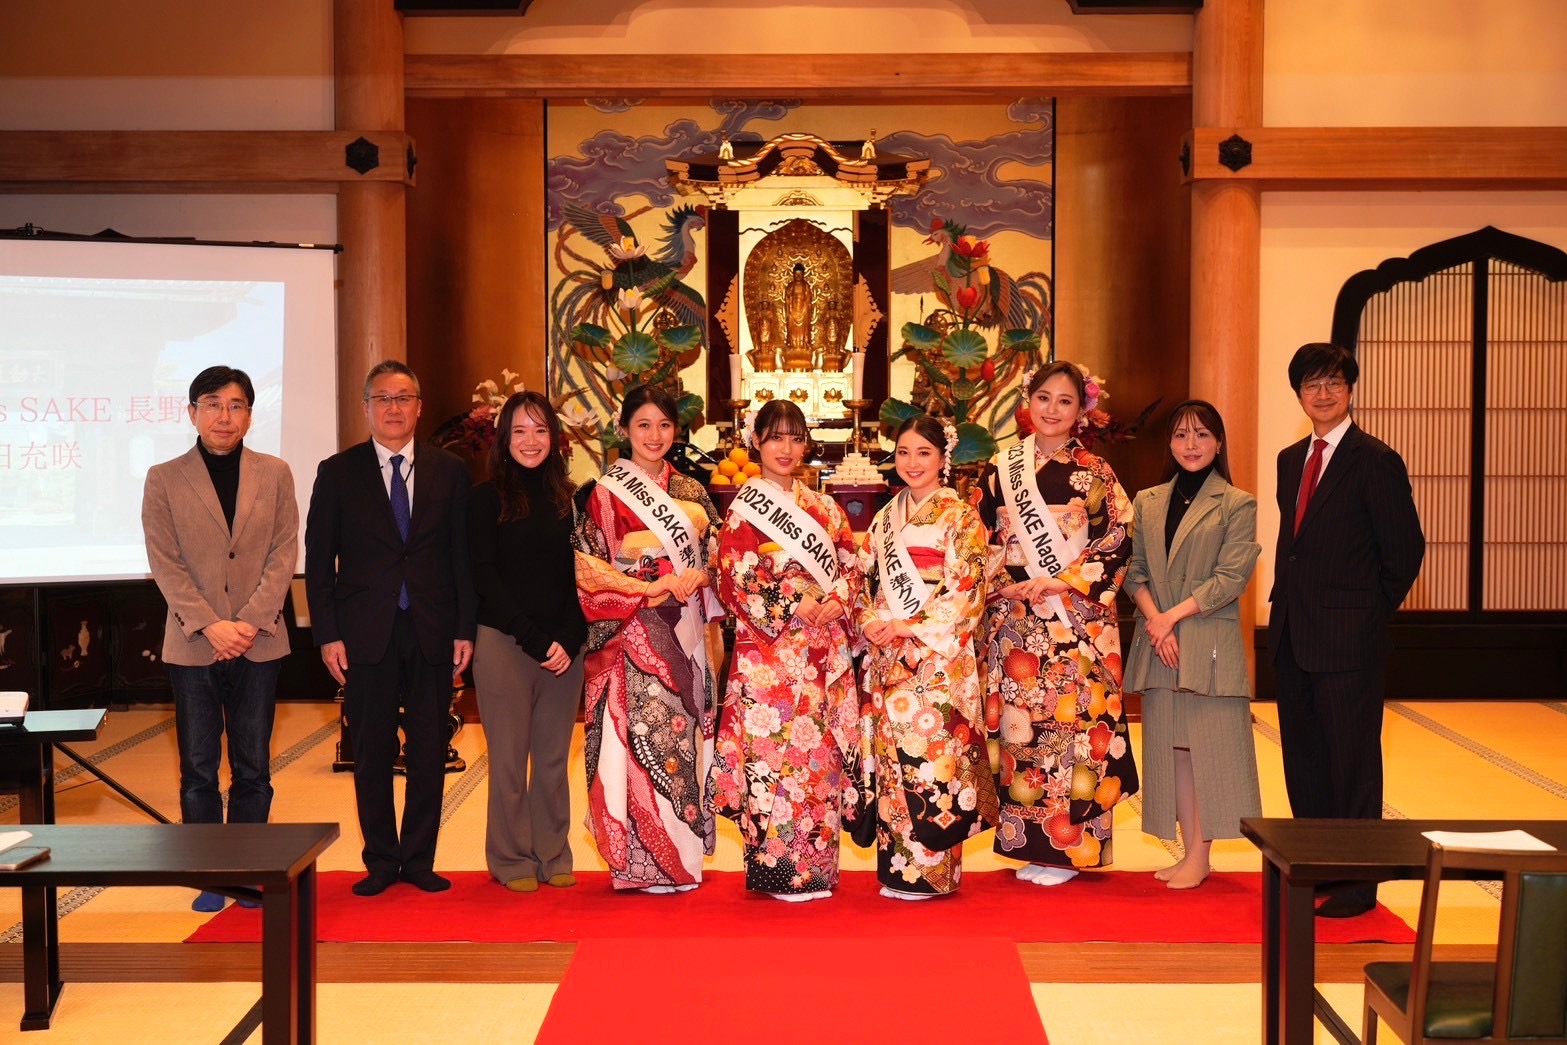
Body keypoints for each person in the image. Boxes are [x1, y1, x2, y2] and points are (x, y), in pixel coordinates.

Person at [304, 360, 476, 897]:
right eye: (383, 398)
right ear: (366, 408)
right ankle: (380, 859)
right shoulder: (337, 473)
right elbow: (318, 559)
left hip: (432, 630)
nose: (394, 408)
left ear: (419, 407)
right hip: (364, 636)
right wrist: (327, 634)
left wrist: (464, 628)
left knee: (428, 750)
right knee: (372, 751)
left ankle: (419, 859)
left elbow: (462, 559)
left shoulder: (450, 471)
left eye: (403, 397)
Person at [1270, 342, 1424, 918]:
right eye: (1312, 385)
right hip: (1291, 633)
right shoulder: (1291, 458)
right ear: (1299, 395)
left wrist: (1363, 617)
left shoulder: (1375, 459)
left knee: (1353, 762)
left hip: (1348, 641)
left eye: (1334, 382)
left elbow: (1404, 551)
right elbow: (1297, 547)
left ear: (1350, 389)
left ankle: (1359, 884)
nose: (1324, 393)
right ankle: (1318, 867)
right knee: (1304, 758)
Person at [142, 365, 298, 913]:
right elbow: (165, 562)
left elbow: (284, 554)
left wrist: (250, 622)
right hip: (192, 642)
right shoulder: (164, 477)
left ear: (250, 415)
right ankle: (210, 873)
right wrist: (211, 623)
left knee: (253, 764)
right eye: (212, 404)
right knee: (199, 766)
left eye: (236, 406)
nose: (224, 416)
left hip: (259, 642)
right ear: (192, 413)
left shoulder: (275, 473)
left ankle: (249, 870)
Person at [977, 361, 1138, 886]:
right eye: (1043, 398)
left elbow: (1117, 541)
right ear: (1029, 402)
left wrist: (1061, 581)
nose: (1051, 410)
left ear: (1082, 409)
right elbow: (979, 542)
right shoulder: (1001, 467)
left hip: (1074, 621)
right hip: (1018, 619)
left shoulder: (1096, 473)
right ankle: (1033, 845)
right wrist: (1003, 580)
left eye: (1064, 401)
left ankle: (1073, 851)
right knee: (1025, 733)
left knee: (1072, 730)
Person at [709, 399, 863, 901]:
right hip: (768, 657)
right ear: (756, 441)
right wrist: (796, 599)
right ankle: (776, 870)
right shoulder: (743, 511)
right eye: (776, 437)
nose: (786, 448)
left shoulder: (824, 507)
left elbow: (851, 564)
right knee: (772, 760)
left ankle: (817, 869)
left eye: (796, 438)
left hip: (820, 651)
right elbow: (735, 575)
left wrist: (838, 600)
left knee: (817, 759)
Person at [573, 384, 723, 892]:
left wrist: (699, 577)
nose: (654, 436)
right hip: (631, 633)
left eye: (663, 425)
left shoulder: (694, 492)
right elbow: (588, 566)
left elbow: (720, 556)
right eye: (643, 425)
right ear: (624, 430)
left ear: (675, 431)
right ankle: (639, 861)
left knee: (682, 738)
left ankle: (680, 860)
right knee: (633, 742)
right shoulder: (602, 493)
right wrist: (644, 587)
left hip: (683, 628)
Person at [855, 415, 999, 899]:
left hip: (936, 662)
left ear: (943, 459)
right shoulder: (885, 517)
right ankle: (899, 869)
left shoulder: (960, 515)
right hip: (890, 656)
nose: (912, 463)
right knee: (894, 762)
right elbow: (864, 578)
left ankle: (935, 874)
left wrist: (910, 626)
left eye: (924, 453)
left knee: (933, 760)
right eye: (903, 453)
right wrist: (871, 618)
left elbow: (967, 582)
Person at [1124, 400, 1262, 891]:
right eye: (1181, 436)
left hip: (1205, 641)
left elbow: (1231, 577)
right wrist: (1155, 620)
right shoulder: (1147, 500)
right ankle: (1189, 853)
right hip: (1160, 641)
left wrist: (1170, 618)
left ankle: (1201, 856)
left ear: (1219, 442)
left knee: (1207, 750)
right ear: (1170, 444)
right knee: (1174, 750)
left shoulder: (1237, 503)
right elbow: (1133, 572)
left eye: (1202, 435)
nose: (1191, 445)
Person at [470, 391, 587, 893]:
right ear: (503, 439)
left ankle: (553, 852)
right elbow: (484, 577)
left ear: (555, 438)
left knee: (555, 758)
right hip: (505, 645)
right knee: (511, 758)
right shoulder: (485, 499)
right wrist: (535, 638)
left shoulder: (573, 500)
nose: (531, 441)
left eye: (540, 430)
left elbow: (583, 576)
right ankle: (511, 856)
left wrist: (564, 638)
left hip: (564, 648)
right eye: (519, 431)